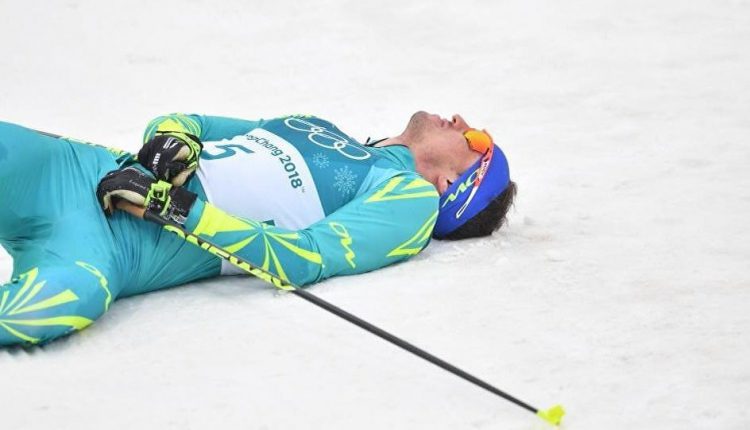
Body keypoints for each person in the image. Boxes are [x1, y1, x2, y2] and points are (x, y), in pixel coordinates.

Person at [0, 112, 516, 347]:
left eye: (476, 140)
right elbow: (192, 123)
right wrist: (174, 138)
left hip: (107, 247)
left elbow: (303, 258)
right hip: (72, 170)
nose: (460, 120)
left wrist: (173, 206)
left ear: (454, 184)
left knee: (59, 303)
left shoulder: (410, 200)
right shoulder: (321, 127)